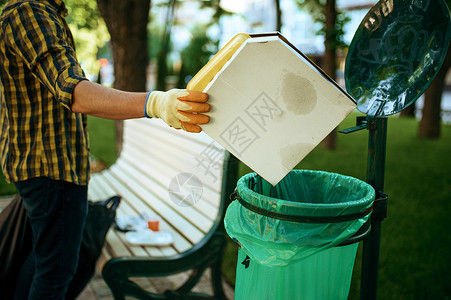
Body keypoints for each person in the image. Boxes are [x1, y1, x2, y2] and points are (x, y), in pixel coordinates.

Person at [0, 0, 210, 298]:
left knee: (44, 264)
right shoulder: (30, 11)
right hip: (52, 170)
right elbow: (74, 90)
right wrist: (156, 103)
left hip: (45, 167)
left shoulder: (33, 11)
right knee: (54, 271)